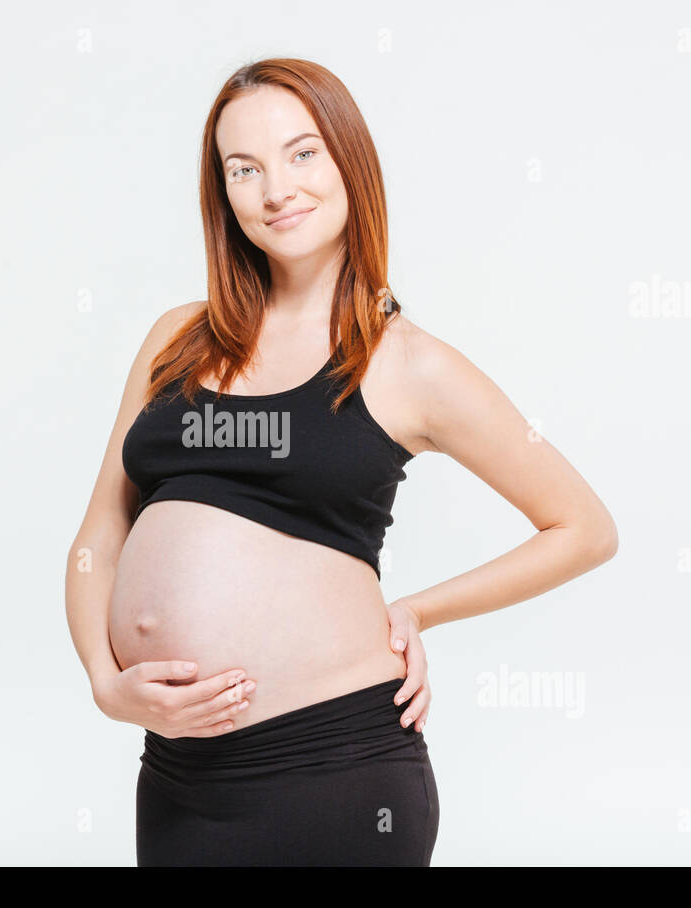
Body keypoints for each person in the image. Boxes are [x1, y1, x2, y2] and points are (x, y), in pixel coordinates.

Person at [64, 58, 618, 866]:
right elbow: (98, 535)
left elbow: (583, 528)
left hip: (335, 772)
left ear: (349, 162)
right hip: (179, 778)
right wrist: (103, 681)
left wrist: (418, 612)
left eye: (301, 154)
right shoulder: (175, 341)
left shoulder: (408, 365)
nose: (274, 189)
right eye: (242, 169)